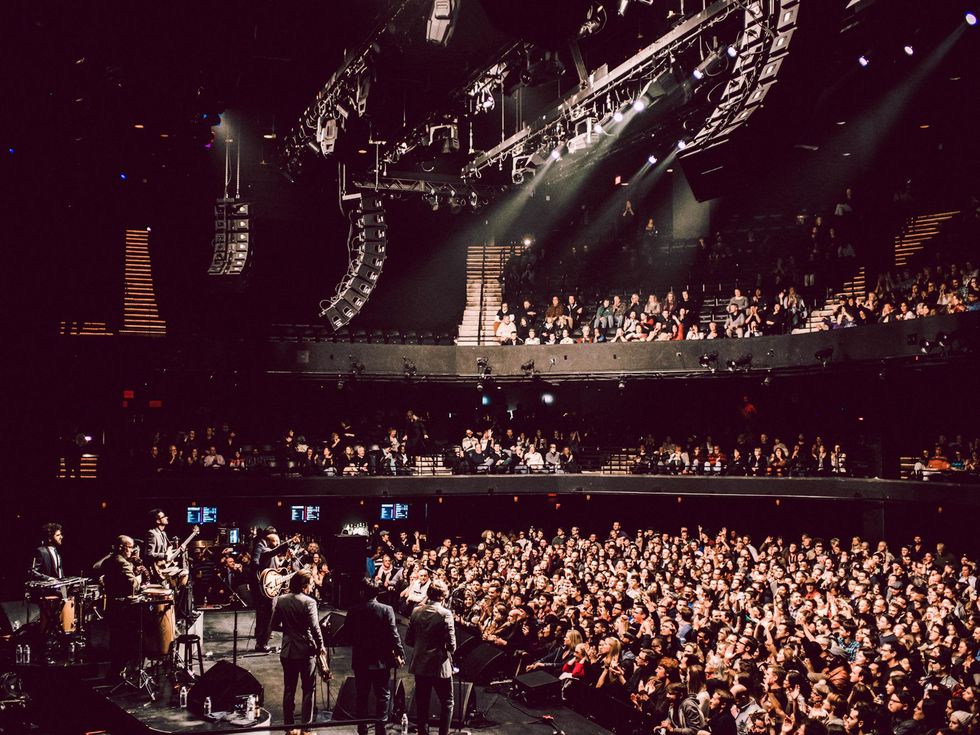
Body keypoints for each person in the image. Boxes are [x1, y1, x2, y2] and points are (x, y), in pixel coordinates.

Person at [345, 578, 405, 735]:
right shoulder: (386, 609)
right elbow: (394, 634)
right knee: (383, 695)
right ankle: (380, 729)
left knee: (362, 695)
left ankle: (362, 728)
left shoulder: (353, 610)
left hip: (361, 660)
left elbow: (347, 635)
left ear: (362, 592)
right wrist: (399, 652)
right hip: (381, 661)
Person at [270, 570, 325, 730]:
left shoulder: (281, 600)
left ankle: (288, 726)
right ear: (304, 585)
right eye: (311, 584)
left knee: (289, 689)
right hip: (306, 651)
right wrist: (321, 645)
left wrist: (289, 629)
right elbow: (315, 628)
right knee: (308, 689)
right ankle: (306, 727)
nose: (312, 587)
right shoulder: (309, 602)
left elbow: (274, 625)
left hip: (287, 651)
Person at [406, 579, 456, 735]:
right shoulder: (445, 614)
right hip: (439, 665)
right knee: (447, 702)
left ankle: (423, 732)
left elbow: (408, 640)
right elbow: (452, 645)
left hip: (420, 664)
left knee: (422, 702)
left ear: (428, 594)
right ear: (443, 596)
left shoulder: (416, 611)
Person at [101, 535, 141, 681]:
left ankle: (114, 672)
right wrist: (138, 577)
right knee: (126, 640)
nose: (132, 550)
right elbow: (134, 585)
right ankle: (122, 672)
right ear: (121, 547)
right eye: (130, 547)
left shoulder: (108, 561)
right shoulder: (122, 563)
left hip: (111, 606)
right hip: (123, 609)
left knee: (115, 640)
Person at [250, 527, 297, 652]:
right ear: (268, 538)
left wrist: (287, 558)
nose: (277, 543)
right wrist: (287, 544)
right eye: (275, 540)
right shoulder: (263, 548)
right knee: (266, 616)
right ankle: (261, 644)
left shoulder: (271, 552)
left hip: (273, 587)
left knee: (269, 616)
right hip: (267, 588)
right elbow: (266, 555)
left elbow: (279, 570)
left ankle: (263, 641)